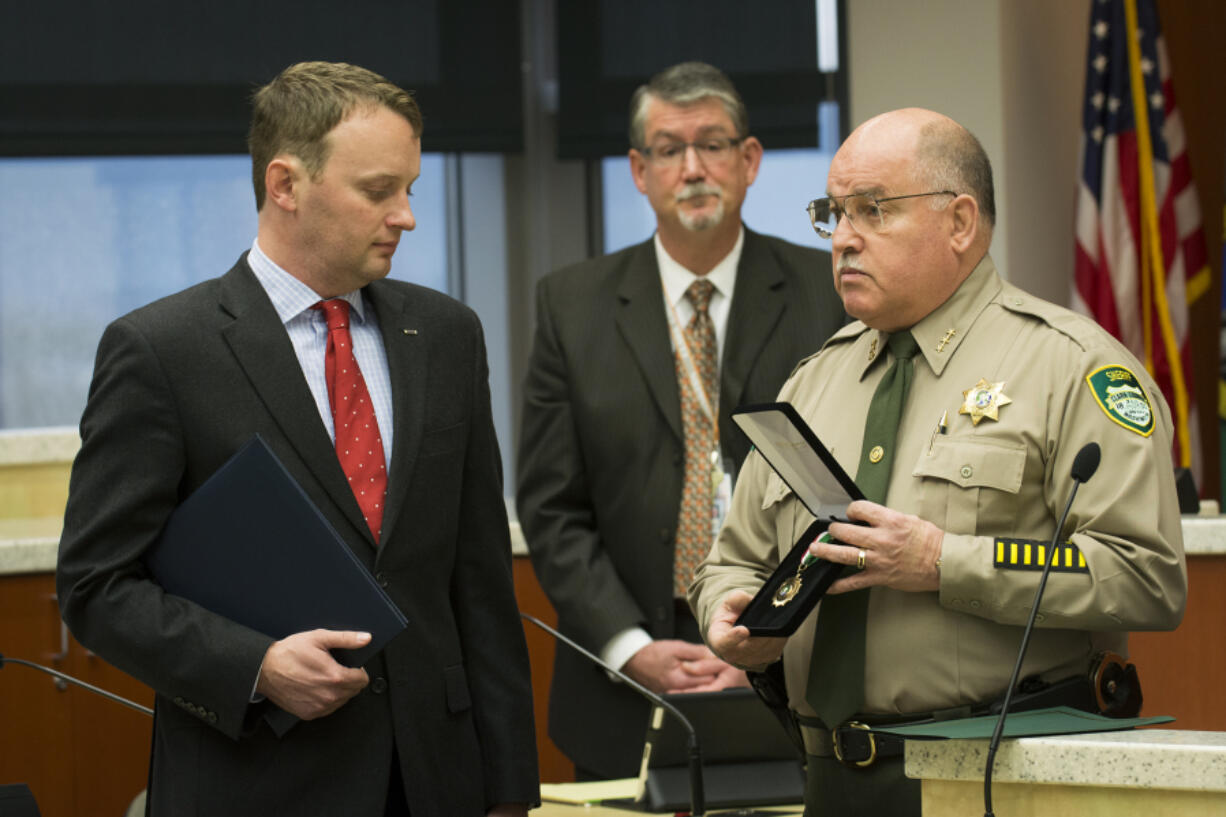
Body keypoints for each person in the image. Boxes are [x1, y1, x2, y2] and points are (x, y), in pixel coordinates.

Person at [56, 61, 537, 817]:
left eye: (411, 188)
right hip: (257, 779)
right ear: (286, 185)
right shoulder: (162, 349)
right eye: (379, 191)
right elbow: (96, 587)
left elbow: (479, 583)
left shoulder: (446, 333)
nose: (406, 215)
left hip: (437, 779)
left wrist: (511, 791)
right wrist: (256, 665)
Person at [690, 107, 1187, 816]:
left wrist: (944, 561)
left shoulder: (1071, 368)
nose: (845, 240)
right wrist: (729, 614)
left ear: (959, 222)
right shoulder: (813, 381)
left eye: (872, 210)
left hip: (995, 776)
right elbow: (732, 560)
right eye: (834, 213)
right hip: (827, 776)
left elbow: (1146, 574)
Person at [516, 61, 845, 779]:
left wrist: (773, 632)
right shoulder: (571, 307)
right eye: (669, 149)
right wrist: (629, 645)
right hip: (623, 681)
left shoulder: (830, 294)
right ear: (639, 169)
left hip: (799, 671)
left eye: (714, 144)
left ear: (750, 160)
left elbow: (853, 492)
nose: (692, 168)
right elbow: (551, 508)